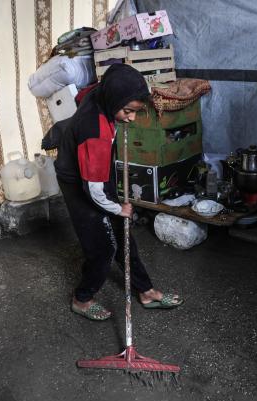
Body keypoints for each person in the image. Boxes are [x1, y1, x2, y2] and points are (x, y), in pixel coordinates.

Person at [55, 64, 183, 320]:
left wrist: (117, 212)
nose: (132, 118)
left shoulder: (101, 93)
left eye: (135, 111)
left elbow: (114, 68)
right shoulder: (96, 132)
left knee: (122, 233)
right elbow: (94, 191)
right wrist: (118, 208)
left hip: (94, 171)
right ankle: (82, 298)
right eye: (128, 111)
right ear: (113, 100)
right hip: (79, 182)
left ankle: (145, 291)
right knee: (103, 247)